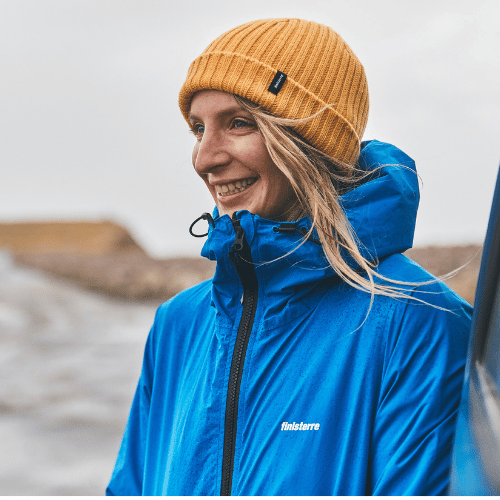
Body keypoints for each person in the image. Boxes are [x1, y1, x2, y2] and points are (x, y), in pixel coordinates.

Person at [106, 18, 472, 495]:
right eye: (199, 128)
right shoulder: (177, 325)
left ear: (310, 141)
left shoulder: (418, 323)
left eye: (239, 123)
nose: (203, 158)